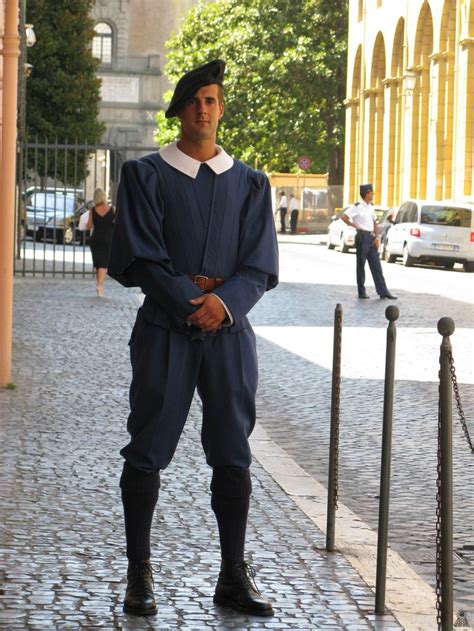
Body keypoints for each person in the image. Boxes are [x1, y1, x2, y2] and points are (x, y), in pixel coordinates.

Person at [108, 59, 278, 618]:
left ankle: (232, 574)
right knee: (149, 448)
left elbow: (258, 266)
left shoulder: (252, 183)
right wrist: (192, 302)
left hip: (230, 332)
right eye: (192, 101)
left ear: (221, 108)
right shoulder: (146, 176)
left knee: (233, 451)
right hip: (165, 329)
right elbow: (140, 256)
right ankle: (139, 575)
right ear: (178, 111)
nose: (202, 110)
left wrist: (223, 305)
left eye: (211, 100)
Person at [342, 184, 397, 299]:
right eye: (372, 192)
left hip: (371, 238)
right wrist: (354, 225)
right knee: (361, 266)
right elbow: (344, 217)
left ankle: (383, 291)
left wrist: (376, 237)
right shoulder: (357, 207)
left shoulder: (371, 207)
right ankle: (361, 292)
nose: (373, 194)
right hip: (362, 237)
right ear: (367, 193)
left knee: (376, 265)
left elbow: (374, 223)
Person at [87, 188, 115, 297]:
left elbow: (89, 226)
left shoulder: (92, 210)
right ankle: (100, 285)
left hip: (96, 239)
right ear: (104, 196)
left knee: (98, 263)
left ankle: (99, 285)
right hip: (108, 239)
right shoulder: (112, 209)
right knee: (104, 263)